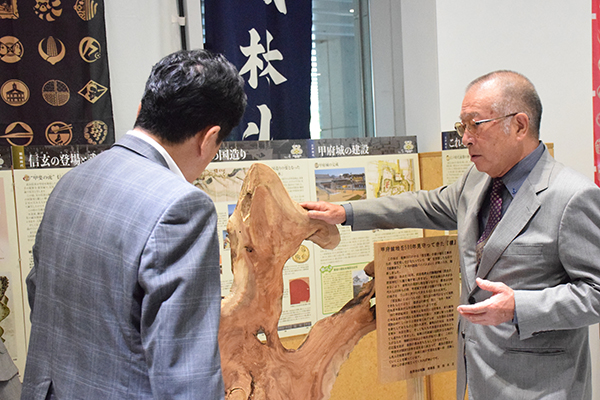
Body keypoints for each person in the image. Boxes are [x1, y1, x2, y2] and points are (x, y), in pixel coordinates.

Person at [302, 70, 600, 399]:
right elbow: (424, 205)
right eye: (463, 126)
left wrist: (519, 307)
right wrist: (346, 213)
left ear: (519, 125)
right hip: (478, 380)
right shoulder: (478, 180)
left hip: (541, 388)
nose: (466, 138)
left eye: (476, 124)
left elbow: (596, 293)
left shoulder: (571, 196)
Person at [21, 49, 247, 399]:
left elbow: (40, 293)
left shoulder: (72, 181)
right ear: (208, 137)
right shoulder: (182, 206)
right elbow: (186, 372)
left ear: (141, 111)